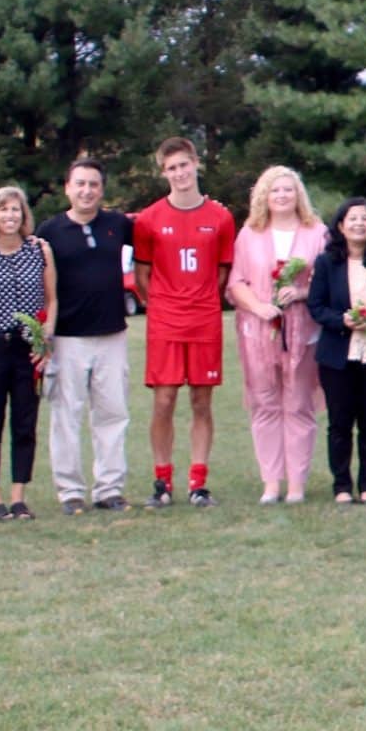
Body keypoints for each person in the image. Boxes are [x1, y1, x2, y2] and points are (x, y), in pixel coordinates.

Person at [132, 136, 236, 507]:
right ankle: (162, 481)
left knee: (201, 401)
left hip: (204, 321)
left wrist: (200, 300)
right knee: (164, 401)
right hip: (166, 323)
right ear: (164, 172)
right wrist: (164, 304)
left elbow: (222, 274)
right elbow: (142, 275)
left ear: (196, 164)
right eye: (171, 168)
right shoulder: (149, 219)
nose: (179, 173)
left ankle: (198, 481)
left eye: (184, 165)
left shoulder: (220, 217)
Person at [36, 158, 135, 514]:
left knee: (112, 414)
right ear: (67, 187)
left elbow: (153, 228)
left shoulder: (117, 225)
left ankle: (109, 488)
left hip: (112, 334)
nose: (87, 191)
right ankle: (70, 492)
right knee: (66, 416)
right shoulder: (50, 231)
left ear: (102, 189)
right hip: (68, 338)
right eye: (80, 184)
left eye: (93, 184)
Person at [227, 165, 326, 503]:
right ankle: (271, 482)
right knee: (265, 404)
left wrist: (300, 294)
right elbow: (236, 282)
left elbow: (327, 280)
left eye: (288, 190)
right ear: (263, 197)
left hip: (304, 332)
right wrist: (258, 306)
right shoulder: (249, 234)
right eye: (275, 190)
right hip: (258, 332)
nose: (282, 196)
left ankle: (297, 483)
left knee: (298, 404)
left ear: (298, 194)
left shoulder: (316, 233)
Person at [307, 197, 366, 503]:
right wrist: (341, 320)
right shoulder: (327, 262)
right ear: (340, 226)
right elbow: (316, 306)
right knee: (340, 423)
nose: (359, 224)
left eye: (365, 219)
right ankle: (342, 487)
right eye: (352, 219)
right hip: (337, 356)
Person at [0, 185, 54, 520]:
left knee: (25, 422)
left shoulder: (40, 251)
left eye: (15, 209)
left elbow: (52, 299)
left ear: (24, 215)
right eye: (3, 209)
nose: (9, 215)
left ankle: (19, 497)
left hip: (27, 348)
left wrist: (45, 338)